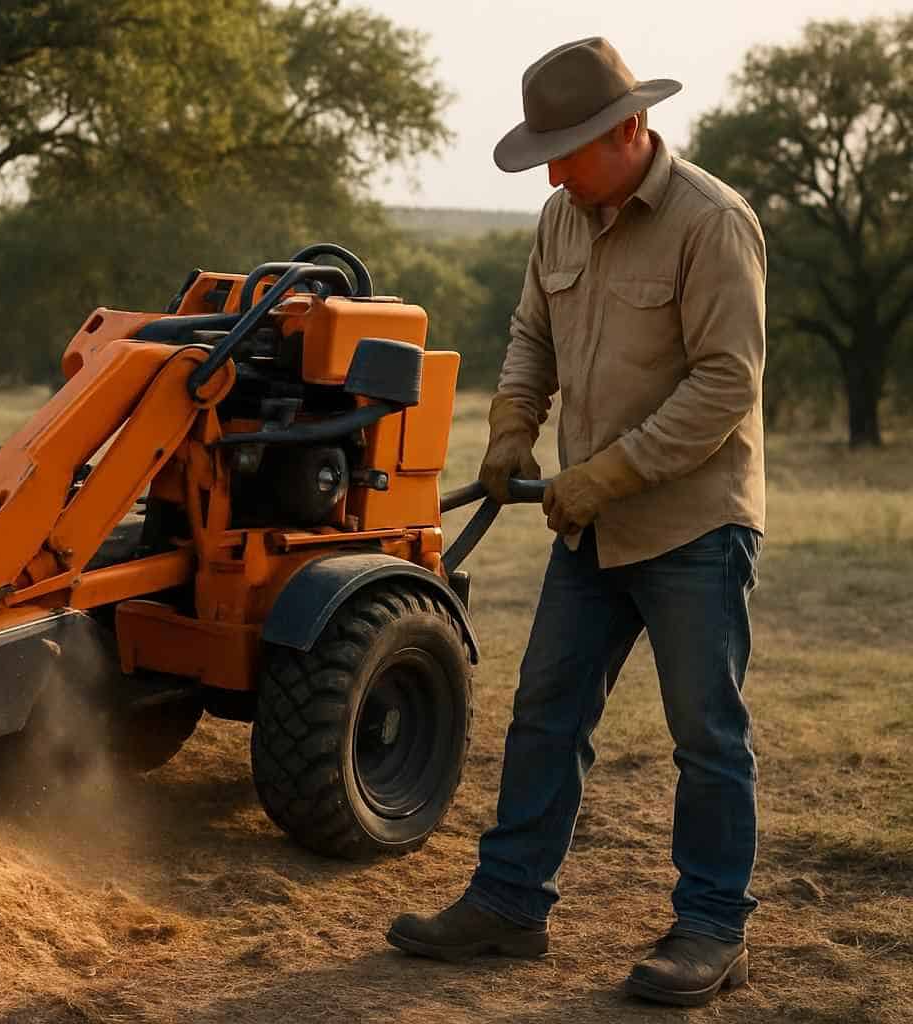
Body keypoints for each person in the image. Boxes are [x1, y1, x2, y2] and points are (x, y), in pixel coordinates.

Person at [384, 37, 767, 1008]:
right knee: (545, 717)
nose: (552, 171)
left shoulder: (712, 222)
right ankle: (511, 903)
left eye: (569, 148)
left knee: (707, 736)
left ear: (629, 129)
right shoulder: (560, 218)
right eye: (546, 152)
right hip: (589, 526)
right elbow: (531, 338)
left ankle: (713, 929)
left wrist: (605, 475)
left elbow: (728, 382)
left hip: (693, 526)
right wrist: (513, 427)